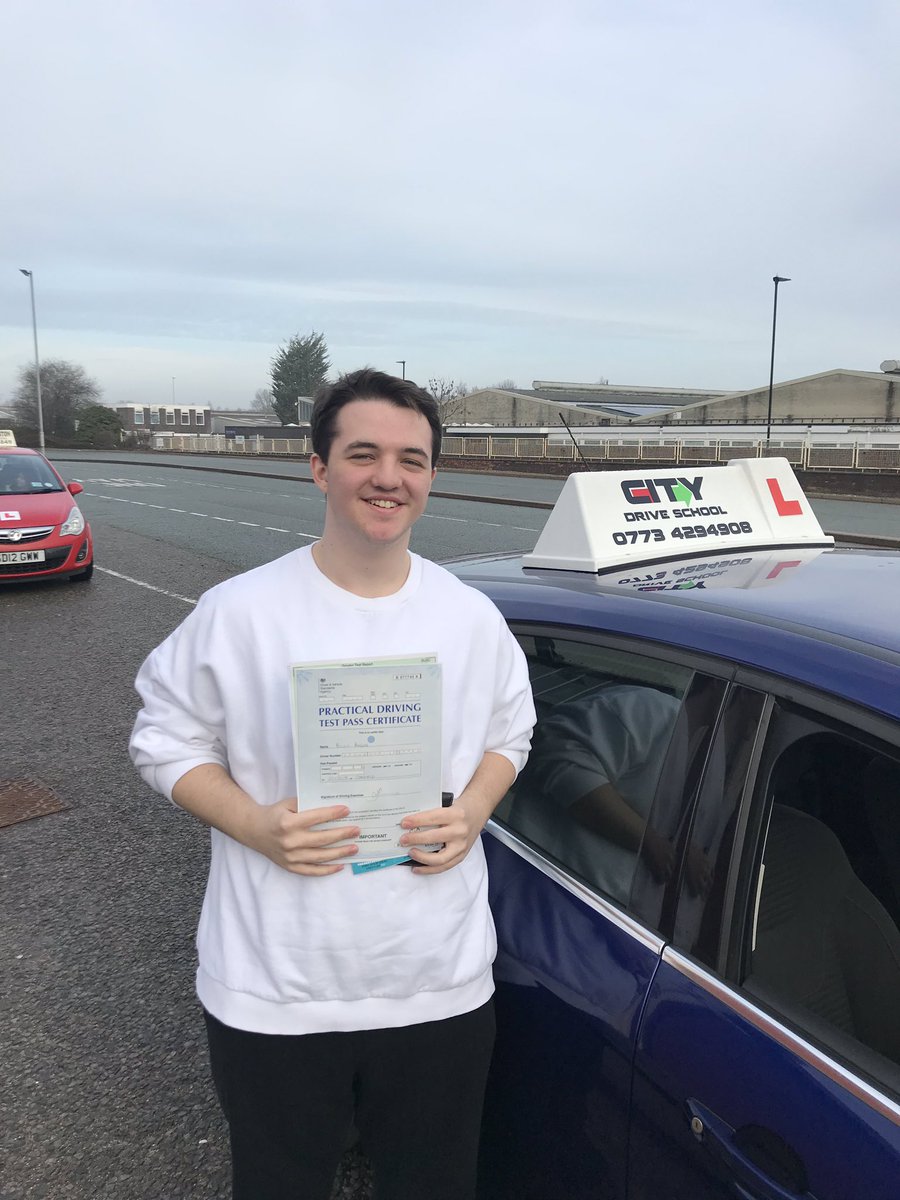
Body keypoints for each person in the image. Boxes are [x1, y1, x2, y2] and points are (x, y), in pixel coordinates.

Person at [129, 367, 535, 1200]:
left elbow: (510, 733)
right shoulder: (240, 612)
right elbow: (163, 738)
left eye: (412, 460)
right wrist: (252, 823)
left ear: (429, 477)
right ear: (318, 468)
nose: (389, 478)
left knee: (435, 1183)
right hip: (277, 988)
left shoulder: (469, 615)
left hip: (439, 979)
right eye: (364, 454)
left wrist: (477, 812)